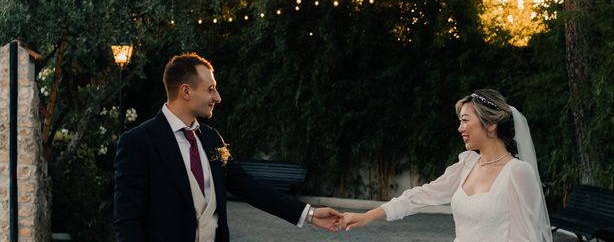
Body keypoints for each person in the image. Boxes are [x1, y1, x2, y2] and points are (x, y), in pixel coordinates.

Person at [114, 53, 342, 242]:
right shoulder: (138, 142)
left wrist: (309, 214)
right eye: (210, 89)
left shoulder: (212, 138)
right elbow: (127, 220)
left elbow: (250, 187)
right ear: (186, 91)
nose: (218, 97)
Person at [340, 89, 552, 242]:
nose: (460, 128)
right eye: (460, 122)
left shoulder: (517, 172)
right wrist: (367, 216)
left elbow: (527, 237)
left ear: (490, 124)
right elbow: (420, 196)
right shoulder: (467, 164)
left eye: (465, 120)